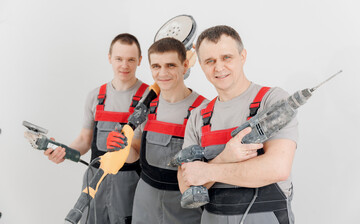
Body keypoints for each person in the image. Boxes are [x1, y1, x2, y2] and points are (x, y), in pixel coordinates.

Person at [178, 25, 298, 224]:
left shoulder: (272, 101)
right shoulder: (199, 117)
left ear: (242, 56)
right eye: (210, 61)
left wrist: (207, 171)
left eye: (227, 57)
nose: (219, 67)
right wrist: (225, 157)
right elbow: (186, 185)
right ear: (200, 65)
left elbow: (277, 168)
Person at [44, 33, 148, 224]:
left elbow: (141, 150)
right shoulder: (96, 96)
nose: (124, 65)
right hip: (94, 182)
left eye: (131, 59)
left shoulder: (148, 99)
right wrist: (63, 151)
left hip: (129, 183)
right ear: (109, 58)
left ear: (140, 60)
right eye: (119, 59)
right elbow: (84, 140)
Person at [108, 37, 205, 224]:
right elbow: (135, 154)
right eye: (156, 66)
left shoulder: (203, 110)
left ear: (185, 66)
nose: (162, 73)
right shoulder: (146, 107)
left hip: (184, 204)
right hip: (145, 199)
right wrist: (122, 147)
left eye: (170, 65)